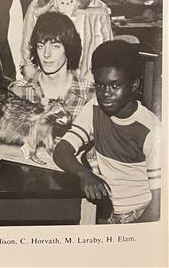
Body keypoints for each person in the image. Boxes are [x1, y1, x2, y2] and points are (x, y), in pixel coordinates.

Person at [53, 40, 161, 223]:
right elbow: (61, 151)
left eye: (115, 86)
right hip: (110, 210)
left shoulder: (151, 131)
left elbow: (158, 208)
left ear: (134, 85)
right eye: (100, 85)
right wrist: (84, 174)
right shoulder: (94, 108)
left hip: (140, 213)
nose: (106, 94)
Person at [10, 11, 94, 122]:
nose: (46, 54)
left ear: (69, 48)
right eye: (41, 46)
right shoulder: (17, 92)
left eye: (55, 46)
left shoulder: (88, 94)